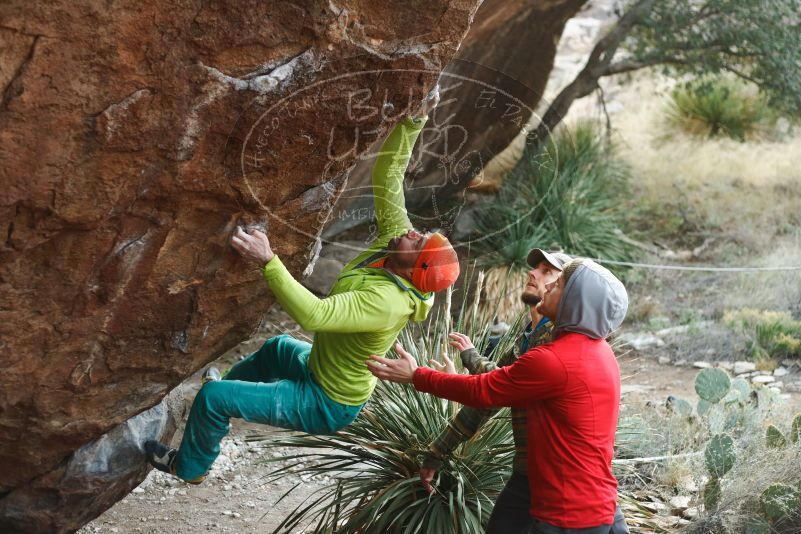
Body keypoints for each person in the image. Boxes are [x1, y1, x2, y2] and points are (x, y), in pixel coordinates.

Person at [145, 86, 460, 484]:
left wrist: (268, 260)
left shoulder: (387, 300)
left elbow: (314, 314)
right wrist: (415, 121)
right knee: (277, 348)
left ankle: (189, 466)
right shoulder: (394, 247)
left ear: (414, 268)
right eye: (419, 233)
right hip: (318, 368)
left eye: (419, 241)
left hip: (325, 402)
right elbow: (389, 176)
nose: (412, 231)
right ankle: (228, 398)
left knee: (212, 399)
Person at [368, 259, 629, 534]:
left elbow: (483, 390)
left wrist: (417, 375)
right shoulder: (601, 353)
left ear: (576, 301)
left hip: (566, 515)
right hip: (593, 502)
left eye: (558, 283)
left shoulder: (553, 360)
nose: (549, 284)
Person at [420, 249, 569, 533]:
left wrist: (468, 360)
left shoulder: (557, 340)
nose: (533, 274)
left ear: (564, 289)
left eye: (548, 272)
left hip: (557, 475)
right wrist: (438, 452)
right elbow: (489, 396)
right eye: (535, 268)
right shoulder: (526, 336)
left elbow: (501, 384)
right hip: (528, 470)